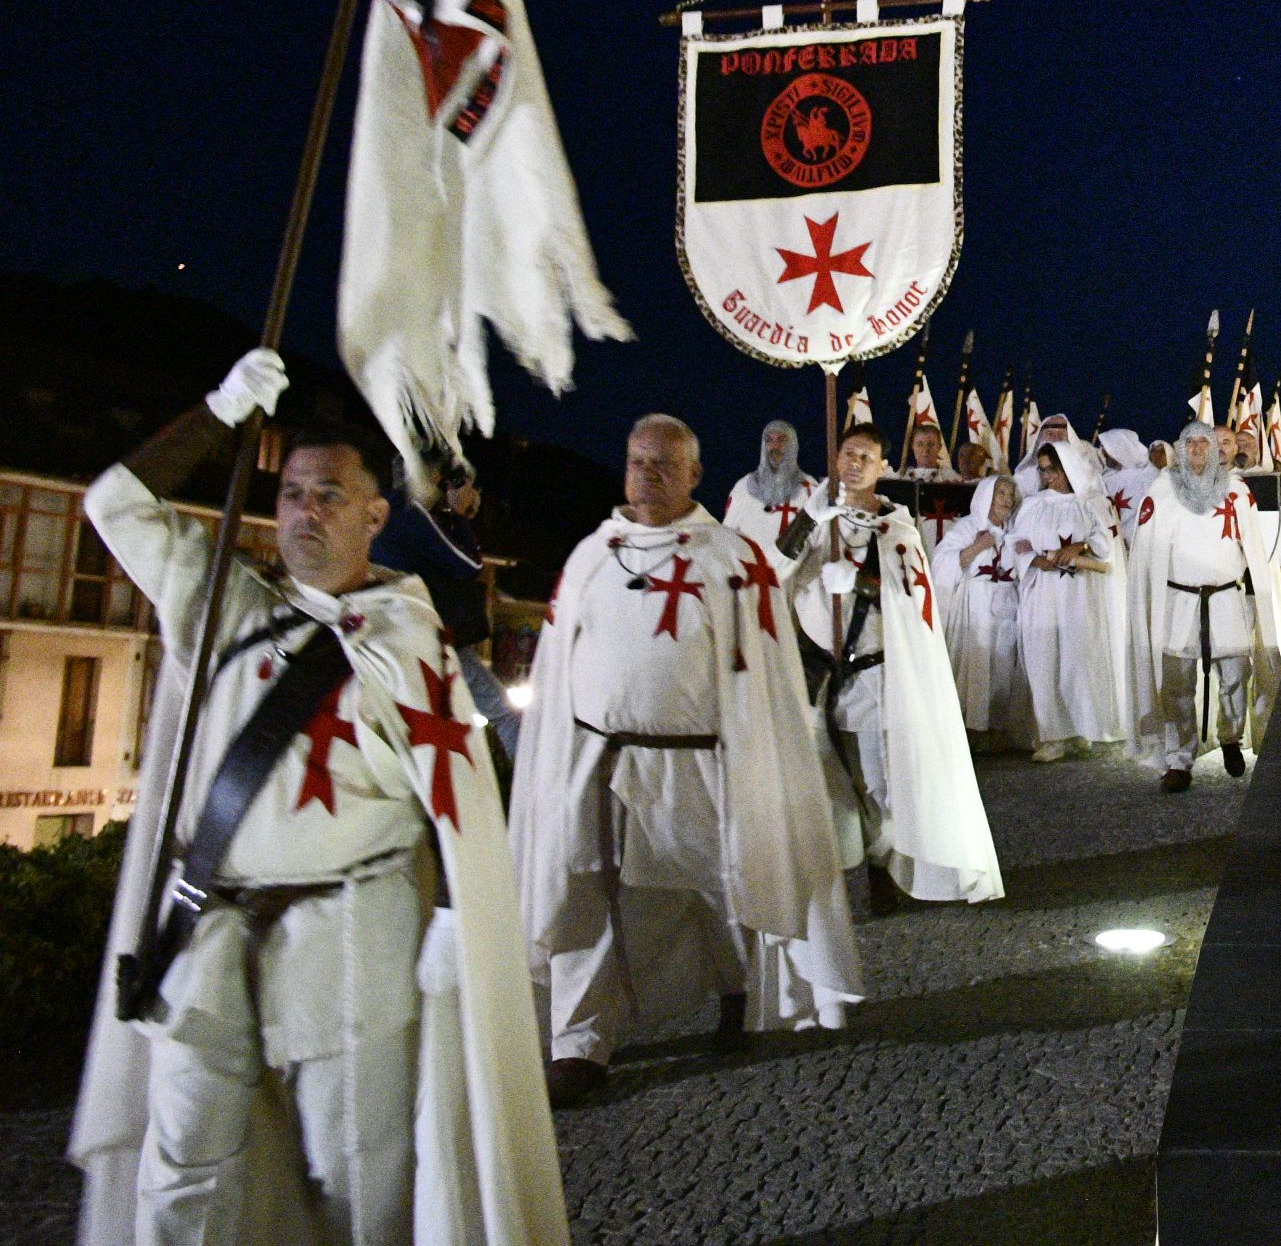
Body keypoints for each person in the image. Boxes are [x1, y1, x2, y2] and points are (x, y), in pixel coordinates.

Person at [69, 348, 565, 1245]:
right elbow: (113, 503)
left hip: (350, 937)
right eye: (292, 492)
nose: (305, 511)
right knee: (181, 1180)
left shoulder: (409, 640)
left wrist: (455, 929)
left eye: (330, 494)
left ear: (377, 514)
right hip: (206, 934)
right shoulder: (222, 601)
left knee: (357, 1183)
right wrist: (221, 412)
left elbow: (463, 799)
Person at [512, 415, 857, 1107]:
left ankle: (737, 991)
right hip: (601, 762)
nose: (650, 474)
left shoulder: (731, 558)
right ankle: (580, 1044)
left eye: (666, 464)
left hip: (702, 760)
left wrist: (759, 756)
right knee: (591, 897)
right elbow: (557, 665)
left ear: (695, 475)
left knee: (722, 885)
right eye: (639, 461)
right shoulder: (592, 555)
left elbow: (764, 673)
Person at [781, 423, 1001, 910]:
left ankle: (885, 866)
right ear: (836, 459)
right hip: (818, 679)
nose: (855, 462)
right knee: (828, 782)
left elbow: (913, 602)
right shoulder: (818, 522)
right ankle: (837, 870)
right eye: (848, 453)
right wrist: (808, 522)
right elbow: (771, 574)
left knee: (878, 783)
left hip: (874, 679)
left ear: (883, 468)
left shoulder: (896, 528)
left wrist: (857, 585)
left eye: (866, 456)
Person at [1125, 421, 1281, 791]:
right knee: (1177, 682)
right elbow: (1145, 549)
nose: (1199, 449)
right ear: (1180, 449)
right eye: (1192, 443)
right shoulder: (1162, 490)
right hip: (1179, 600)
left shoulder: (1236, 490)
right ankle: (1180, 759)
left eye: (1205, 442)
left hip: (1225, 596)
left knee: (1235, 674)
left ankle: (1230, 737)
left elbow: (1255, 548)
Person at [371, 452, 521, 757]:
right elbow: (468, 564)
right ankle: (530, 798)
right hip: (426, 636)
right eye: (439, 480)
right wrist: (460, 514)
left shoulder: (379, 508)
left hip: (385, 631)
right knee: (506, 714)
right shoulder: (411, 513)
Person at [1008, 436, 1123, 759]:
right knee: (1043, 659)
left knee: (1077, 660)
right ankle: (1051, 735)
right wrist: (1036, 559)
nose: (1048, 477)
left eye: (1053, 470)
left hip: (1079, 594)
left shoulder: (1087, 504)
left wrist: (1078, 547)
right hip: (1043, 593)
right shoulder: (1033, 505)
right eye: (1043, 471)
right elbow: (1016, 543)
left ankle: (1079, 729)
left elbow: (1104, 543)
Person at [930, 474, 1033, 748]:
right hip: (975, 607)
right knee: (974, 666)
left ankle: (996, 729)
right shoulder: (967, 527)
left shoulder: (1015, 532)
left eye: (1011, 495)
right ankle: (969, 731)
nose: (1007, 500)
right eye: (1001, 493)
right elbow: (941, 563)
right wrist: (978, 546)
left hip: (1007, 607)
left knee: (1003, 668)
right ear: (987, 495)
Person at [724, 419, 819, 570]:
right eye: (769, 440)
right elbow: (728, 536)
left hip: (792, 583)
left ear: (793, 445)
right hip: (751, 577)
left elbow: (818, 545)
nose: (775, 446)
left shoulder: (810, 489)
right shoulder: (743, 487)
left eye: (782, 440)